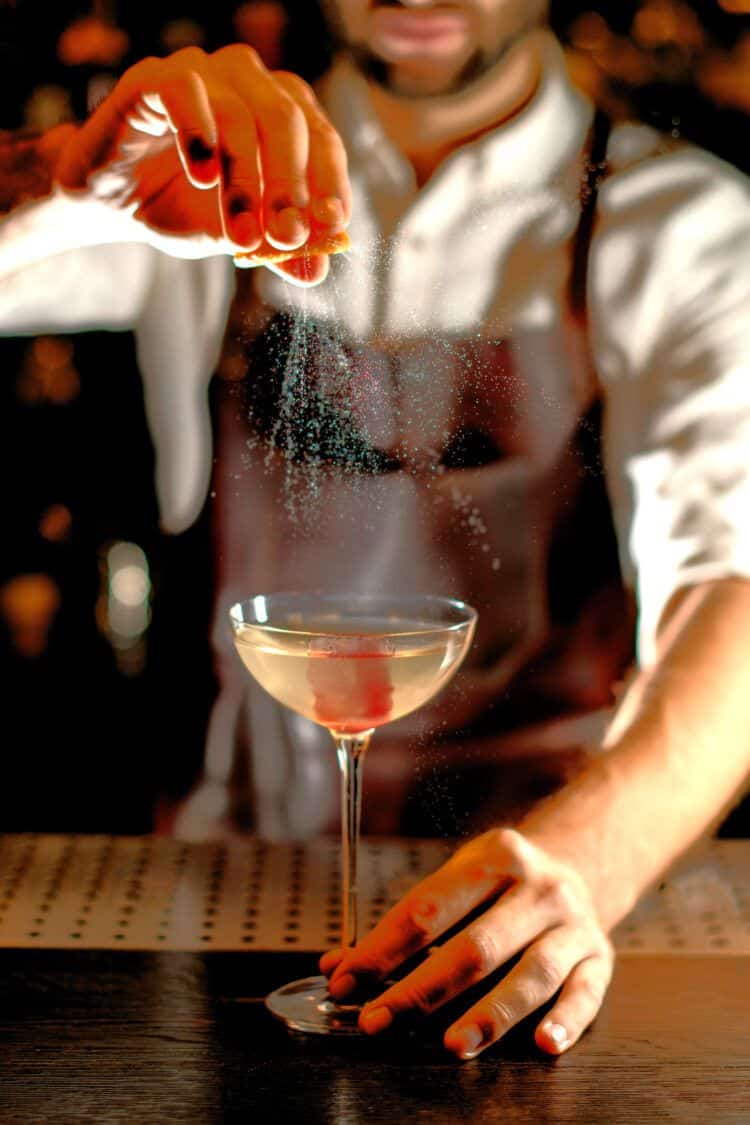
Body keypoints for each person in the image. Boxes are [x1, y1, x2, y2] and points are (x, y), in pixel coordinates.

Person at [2, 0, 750, 1061]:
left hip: (530, 920)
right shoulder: (198, 177)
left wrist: (588, 858)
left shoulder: (676, 224)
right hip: (221, 891)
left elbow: (734, 589)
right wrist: (54, 180)